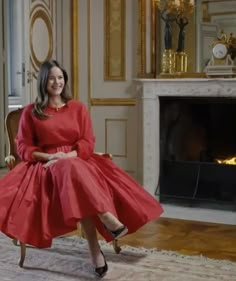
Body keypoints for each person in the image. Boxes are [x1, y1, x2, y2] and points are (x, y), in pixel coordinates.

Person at [0, 60, 163, 277]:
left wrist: (68, 156)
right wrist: (52, 156)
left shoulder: (77, 108)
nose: (57, 82)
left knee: (74, 174)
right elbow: (24, 147)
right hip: (46, 166)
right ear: (43, 81)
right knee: (72, 174)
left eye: (60, 77)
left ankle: (96, 250)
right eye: (51, 78)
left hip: (77, 160)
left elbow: (87, 140)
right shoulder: (32, 112)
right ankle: (103, 229)